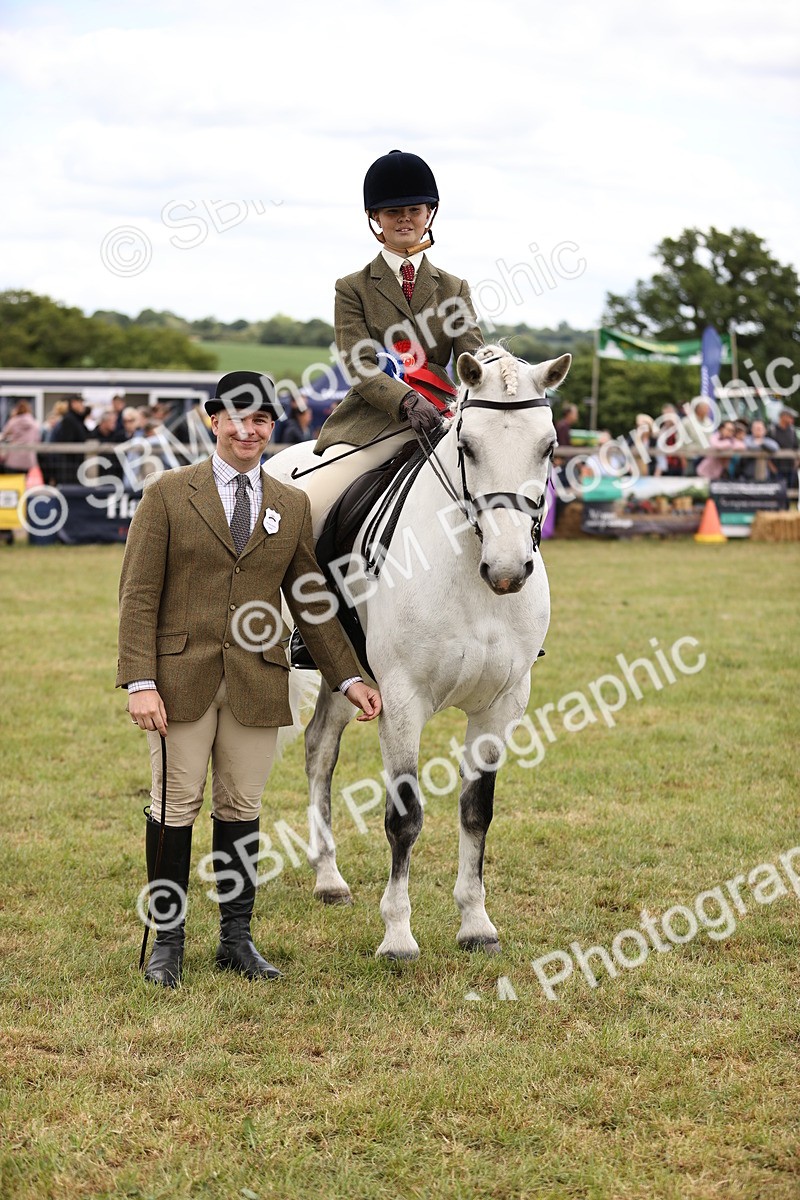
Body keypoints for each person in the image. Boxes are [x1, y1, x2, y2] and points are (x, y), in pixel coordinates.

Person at [117, 371, 382, 989]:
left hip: (256, 682)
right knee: (174, 807)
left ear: (272, 427)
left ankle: (236, 940)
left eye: (261, 420)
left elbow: (312, 603)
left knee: (241, 808)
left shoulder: (290, 505)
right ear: (214, 420)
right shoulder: (167, 494)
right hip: (178, 680)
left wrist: (348, 677)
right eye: (236, 417)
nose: (247, 429)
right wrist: (139, 682)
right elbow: (137, 597)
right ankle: (168, 943)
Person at [302, 149, 483, 533]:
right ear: (375, 219)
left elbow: (473, 359)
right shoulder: (352, 287)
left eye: (414, 209)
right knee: (312, 510)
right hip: (373, 419)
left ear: (429, 213)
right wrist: (404, 398)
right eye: (392, 212)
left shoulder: (454, 287)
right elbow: (358, 362)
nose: (404, 219)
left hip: (440, 417)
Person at [45, 394, 91, 485]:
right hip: (70, 469)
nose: (83, 405)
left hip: (74, 468)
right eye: (80, 402)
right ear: (73, 403)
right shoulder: (69, 420)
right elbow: (68, 444)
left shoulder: (76, 420)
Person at [0, 401, 41, 475]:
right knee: (23, 480)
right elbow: (37, 439)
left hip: (14, 458)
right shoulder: (34, 423)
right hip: (28, 458)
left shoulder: (13, 421)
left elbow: (4, 435)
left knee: (13, 481)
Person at [769, 406, 799, 490]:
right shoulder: (772, 430)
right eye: (790, 417)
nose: (792, 419)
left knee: (789, 495)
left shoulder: (792, 431)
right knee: (776, 494)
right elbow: (766, 451)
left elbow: (796, 448)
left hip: (790, 469)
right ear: (783, 417)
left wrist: (795, 466)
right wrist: (772, 468)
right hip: (776, 469)